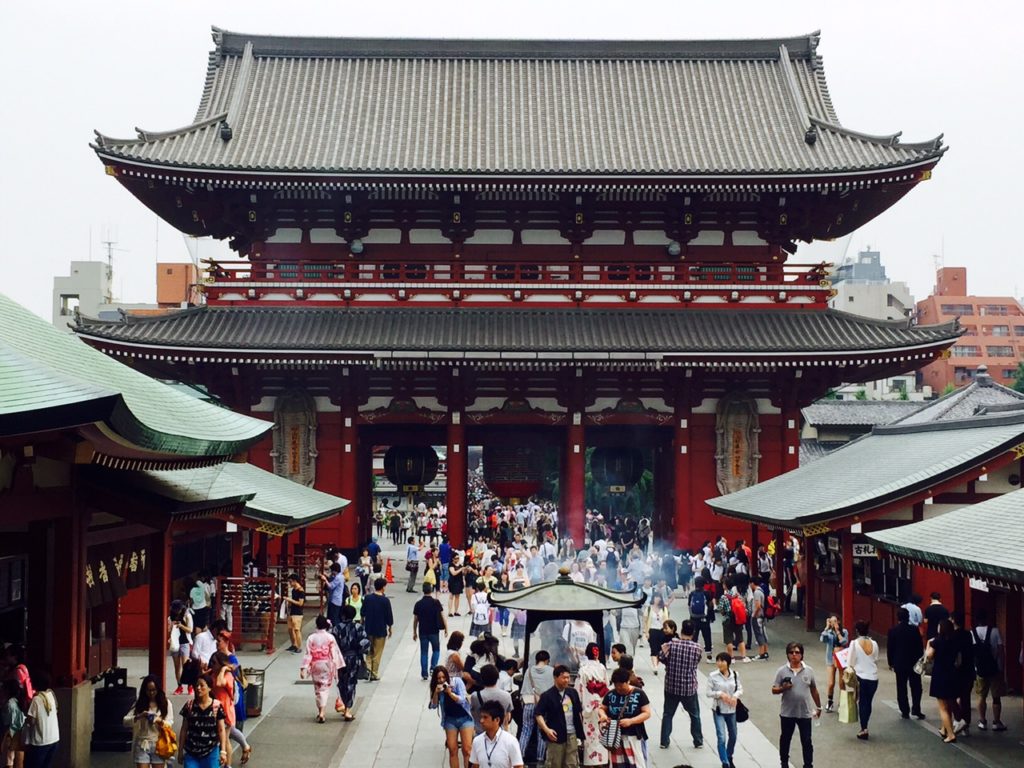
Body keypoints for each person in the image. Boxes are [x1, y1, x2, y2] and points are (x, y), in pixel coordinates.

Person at [771, 642, 822, 768]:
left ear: (802, 655)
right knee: (785, 739)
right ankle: (784, 762)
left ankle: (808, 764)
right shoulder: (782, 671)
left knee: (806, 741)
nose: (794, 655)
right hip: (787, 712)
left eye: (797, 652)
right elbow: (774, 690)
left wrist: (819, 707)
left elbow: (814, 689)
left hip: (804, 712)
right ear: (787, 655)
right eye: (791, 652)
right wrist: (783, 688)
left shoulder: (808, 671)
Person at [658, 618, 702, 750]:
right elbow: (696, 662)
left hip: (671, 685)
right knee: (694, 715)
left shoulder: (671, 644)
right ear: (693, 633)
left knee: (668, 714)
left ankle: (664, 741)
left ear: (681, 630)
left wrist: (669, 664)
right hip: (688, 687)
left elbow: (660, 656)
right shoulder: (697, 648)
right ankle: (698, 740)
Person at [598, 667, 652, 768]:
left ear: (627, 681)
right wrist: (603, 716)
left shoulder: (639, 694)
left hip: (634, 736)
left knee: (636, 764)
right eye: (616, 685)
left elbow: (647, 713)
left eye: (621, 685)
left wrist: (631, 721)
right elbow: (602, 708)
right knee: (617, 765)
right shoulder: (610, 694)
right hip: (615, 738)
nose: (618, 688)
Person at [534, 665, 584, 768]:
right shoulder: (547, 695)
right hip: (555, 735)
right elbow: (538, 714)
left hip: (572, 734)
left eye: (568, 677)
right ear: (555, 678)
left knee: (572, 764)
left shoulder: (573, 693)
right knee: (554, 763)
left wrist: (580, 733)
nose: (567, 680)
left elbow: (579, 712)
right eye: (563, 677)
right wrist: (547, 730)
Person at [301, 615, 345, 723]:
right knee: (325, 688)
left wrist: (304, 668)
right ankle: (322, 712)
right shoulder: (330, 637)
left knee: (318, 688)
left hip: (316, 664)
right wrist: (338, 667)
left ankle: (320, 711)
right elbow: (335, 653)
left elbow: (308, 653)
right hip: (327, 664)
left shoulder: (311, 638)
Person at [177, 674, 228, 768]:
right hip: (191, 752)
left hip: (211, 751)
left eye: (202, 685)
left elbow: (221, 729)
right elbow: (184, 729)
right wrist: (180, 751)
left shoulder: (216, 706)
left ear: (209, 688)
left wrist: (223, 751)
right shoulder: (189, 705)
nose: (198, 688)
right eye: (196, 685)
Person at [430, 665, 474, 768]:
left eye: (443, 677)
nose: (441, 680)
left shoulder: (457, 682)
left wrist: (450, 693)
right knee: (452, 749)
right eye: (439, 678)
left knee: (467, 749)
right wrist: (436, 693)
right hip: (450, 720)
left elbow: (462, 700)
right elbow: (433, 705)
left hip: (465, 718)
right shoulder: (436, 687)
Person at [331, 604, 369, 721]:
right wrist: (359, 650)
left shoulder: (337, 628)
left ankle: (343, 703)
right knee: (351, 682)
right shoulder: (358, 627)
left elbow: (332, 644)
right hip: (353, 658)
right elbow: (365, 642)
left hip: (340, 658)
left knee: (341, 682)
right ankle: (348, 709)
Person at [972, 609, 1007, 732]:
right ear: (987, 619)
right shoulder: (995, 631)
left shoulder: (972, 633)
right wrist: (1001, 666)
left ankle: (982, 721)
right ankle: (997, 722)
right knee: (996, 697)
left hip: (980, 669)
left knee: (982, 696)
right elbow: (1000, 650)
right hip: (994, 668)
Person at [886, 607, 925, 719]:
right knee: (916, 687)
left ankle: (905, 710)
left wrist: (891, 662)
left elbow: (890, 648)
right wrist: (920, 660)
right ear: (908, 618)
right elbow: (919, 647)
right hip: (913, 663)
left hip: (899, 663)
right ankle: (916, 708)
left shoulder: (893, 631)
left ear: (897, 618)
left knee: (901, 687)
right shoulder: (914, 630)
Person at [125, 675, 172, 768]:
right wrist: (139, 716)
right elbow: (125, 721)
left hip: (159, 743)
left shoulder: (165, 703)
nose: (151, 693)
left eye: (154, 690)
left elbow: (169, 723)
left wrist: (159, 720)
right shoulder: (139, 704)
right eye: (148, 690)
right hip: (143, 743)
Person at [925, 618, 959, 743]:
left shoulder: (936, 641)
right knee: (949, 703)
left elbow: (928, 656)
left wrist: (928, 644)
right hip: (952, 672)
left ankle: (950, 734)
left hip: (940, 673)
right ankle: (945, 729)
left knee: (942, 707)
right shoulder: (955, 641)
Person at [706, 652, 743, 768]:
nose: (719, 663)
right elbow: (708, 692)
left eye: (722, 661)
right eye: (718, 661)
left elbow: (740, 688)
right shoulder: (713, 676)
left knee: (733, 735)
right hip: (719, 710)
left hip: (732, 709)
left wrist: (735, 696)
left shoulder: (735, 674)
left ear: (728, 663)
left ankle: (729, 755)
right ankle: (725, 762)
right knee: (721, 736)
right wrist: (720, 694)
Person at [574, 643, 608, 767]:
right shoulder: (602, 668)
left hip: (588, 708)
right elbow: (606, 685)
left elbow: (578, 690)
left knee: (589, 738)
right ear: (597, 653)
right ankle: (601, 762)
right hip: (601, 708)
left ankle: (590, 763)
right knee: (600, 735)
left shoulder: (583, 670)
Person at [845, 620, 879, 740]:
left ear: (857, 631)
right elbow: (875, 658)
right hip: (874, 677)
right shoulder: (874, 643)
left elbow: (850, 662)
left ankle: (864, 728)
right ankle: (865, 725)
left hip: (861, 676)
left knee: (862, 702)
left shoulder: (854, 643)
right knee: (868, 702)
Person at [518, 651, 554, 766]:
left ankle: (519, 757)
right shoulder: (551, 671)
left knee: (525, 730)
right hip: (543, 706)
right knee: (542, 731)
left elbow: (523, 690)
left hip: (528, 703)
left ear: (536, 660)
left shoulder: (529, 670)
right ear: (547, 660)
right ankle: (540, 759)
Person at [470, 700, 524, 768]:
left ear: (497, 720)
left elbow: (518, 766)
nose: (481, 721)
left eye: (485, 717)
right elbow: (475, 765)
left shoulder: (510, 741)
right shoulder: (477, 741)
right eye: (481, 717)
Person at [414, 583, 449, 681]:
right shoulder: (436, 602)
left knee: (424, 652)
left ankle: (424, 673)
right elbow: (442, 616)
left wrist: (414, 632)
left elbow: (415, 619)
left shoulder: (418, 604)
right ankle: (433, 667)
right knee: (436, 650)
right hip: (434, 631)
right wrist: (446, 628)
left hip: (422, 631)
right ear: (431, 590)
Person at [362, 577, 394, 681]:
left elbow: (363, 613)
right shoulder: (385, 600)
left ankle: (368, 668)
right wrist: (390, 627)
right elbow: (389, 616)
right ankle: (374, 672)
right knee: (377, 651)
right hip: (380, 629)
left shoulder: (368, 598)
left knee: (369, 650)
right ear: (383, 587)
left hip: (369, 628)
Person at [949, 611, 975, 736]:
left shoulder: (952, 636)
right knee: (966, 698)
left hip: (956, 672)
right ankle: (966, 724)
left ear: (953, 620)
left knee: (951, 696)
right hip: (969, 671)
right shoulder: (968, 634)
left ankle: (959, 719)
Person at [470, 665, 513, 735]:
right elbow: (507, 717)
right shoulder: (506, 696)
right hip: (499, 734)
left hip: (481, 733)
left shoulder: (475, 696)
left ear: (482, 678)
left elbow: (473, 714)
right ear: (497, 678)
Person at [818, 614, 848, 712]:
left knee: (841, 683)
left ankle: (842, 702)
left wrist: (838, 631)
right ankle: (830, 701)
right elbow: (822, 639)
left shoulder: (844, 632)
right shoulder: (829, 633)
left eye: (835, 621)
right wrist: (826, 628)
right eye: (831, 621)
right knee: (831, 683)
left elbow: (844, 642)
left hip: (841, 659)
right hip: (830, 659)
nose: (833, 623)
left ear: (839, 621)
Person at [169, 599, 195, 694]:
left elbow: (190, 630)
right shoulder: (170, 617)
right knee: (177, 667)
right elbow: (168, 631)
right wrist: (171, 627)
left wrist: (181, 626)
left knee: (186, 666)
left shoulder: (187, 616)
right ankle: (179, 686)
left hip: (184, 642)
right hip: (175, 642)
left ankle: (189, 685)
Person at [688, 576, 714, 662]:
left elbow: (689, 605)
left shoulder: (692, 594)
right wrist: (711, 617)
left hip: (693, 618)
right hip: (704, 619)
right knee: (707, 636)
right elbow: (710, 606)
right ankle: (709, 657)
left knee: (694, 637)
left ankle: (692, 656)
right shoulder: (707, 593)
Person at [278, 573, 305, 653]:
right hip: (292, 611)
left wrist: (290, 600)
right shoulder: (294, 590)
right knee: (290, 629)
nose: (290, 584)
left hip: (298, 613)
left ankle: (299, 647)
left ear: (295, 581)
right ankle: (294, 644)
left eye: (290, 582)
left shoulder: (301, 591)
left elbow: (300, 603)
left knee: (297, 630)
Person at [647, 596, 668, 675]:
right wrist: (646, 632)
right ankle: (655, 666)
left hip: (662, 631)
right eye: (656, 598)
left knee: (660, 650)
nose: (657, 599)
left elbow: (667, 620)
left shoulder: (663, 609)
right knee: (653, 649)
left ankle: (656, 664)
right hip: (652, 630)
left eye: (659, 598)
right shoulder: (649, 609)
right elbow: (645, 620)